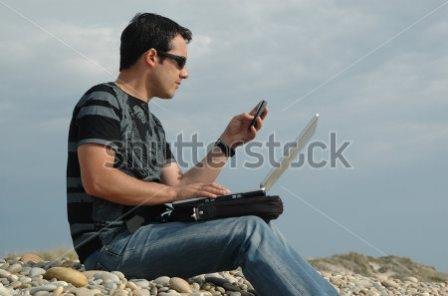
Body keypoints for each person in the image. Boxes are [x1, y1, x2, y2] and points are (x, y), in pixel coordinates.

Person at [66, 12, 338, 296]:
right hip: (113, 247)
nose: (185, 73)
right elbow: (98, 179)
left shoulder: (151, 123)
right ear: (151, 57)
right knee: (248, 232)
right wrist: (175, 195)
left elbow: (180, 186)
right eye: (180, 62)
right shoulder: (103, 101)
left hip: (151, 234)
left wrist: (227, 142)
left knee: (257, 223)